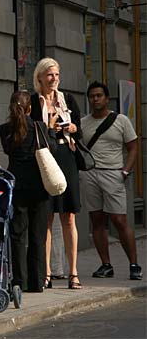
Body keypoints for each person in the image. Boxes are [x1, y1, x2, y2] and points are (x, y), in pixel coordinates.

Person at [30, 57, 83, 290]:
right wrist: (48, 127)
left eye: (57, 75)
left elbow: (80, 131)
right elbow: (30, 133)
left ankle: (73, 273)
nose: (54, 79)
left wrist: (72, 128)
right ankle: (47, 273)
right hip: (45, 160)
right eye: (50, 75)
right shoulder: (33, 100)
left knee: (69, 216)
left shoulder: (67, 99)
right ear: (40, 77)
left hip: (67, 156)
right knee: (47, 216)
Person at [82, 81, 142, 280]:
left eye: (99, 95)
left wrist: (126, 171)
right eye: (92, 96)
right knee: (96, 220)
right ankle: (105, 264)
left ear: (107, 98)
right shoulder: (83, 123)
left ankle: (134, 264)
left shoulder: (121, 120)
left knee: (119, 219)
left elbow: (133, 146)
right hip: (90, 174)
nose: (96, 99)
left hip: (113, 173)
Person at [0, 91, 58, 292]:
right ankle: (37, 281)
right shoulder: (39, 127)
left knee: (17, 234)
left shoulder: (5, 129)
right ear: (30, 108)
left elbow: (9, 151)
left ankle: (19, 281)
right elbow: (52, 151)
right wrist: (50, 130)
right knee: (38, 234)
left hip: (17, 186)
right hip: (40, 187)